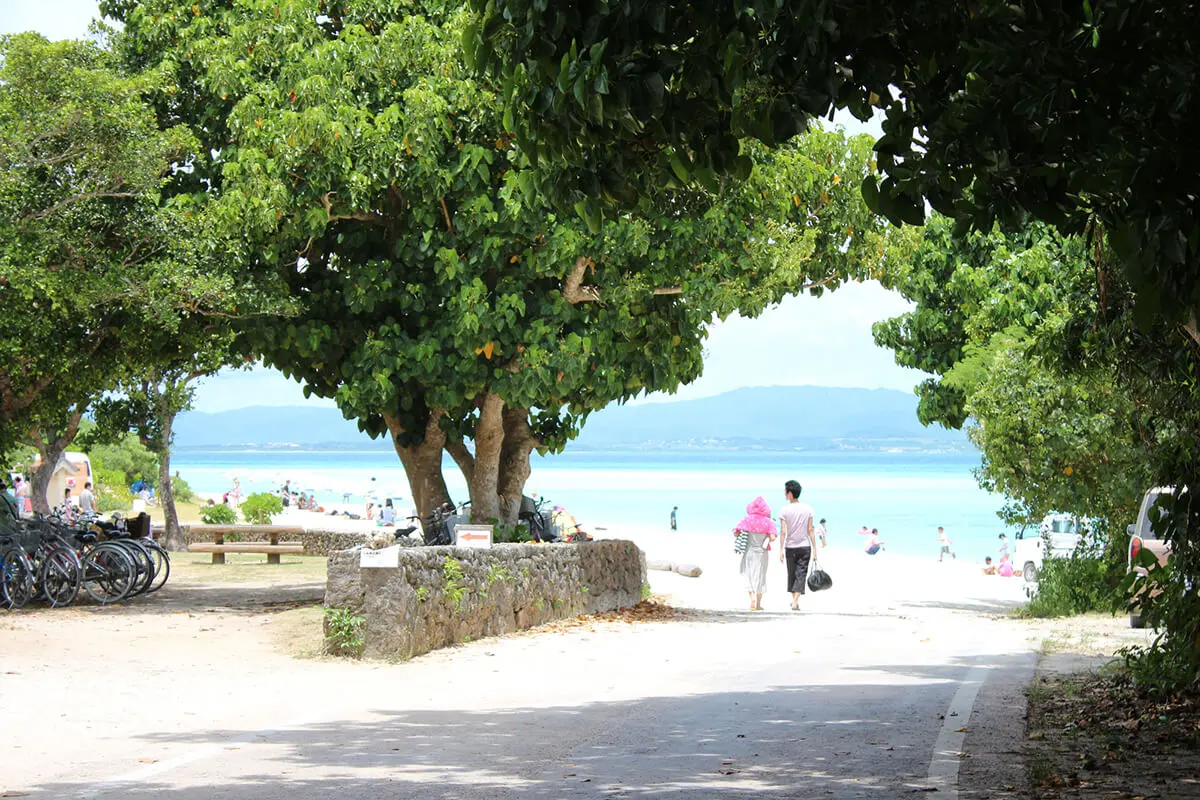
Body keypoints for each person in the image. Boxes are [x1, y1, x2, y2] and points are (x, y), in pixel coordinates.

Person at [778, 479, 818, 611]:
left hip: (790, 546)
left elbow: (783, 531)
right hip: (805, 546)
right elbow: (810, 529)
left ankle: (794, 600)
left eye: (785, 492)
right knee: (801, 573)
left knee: (792, 573)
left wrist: (781, 550)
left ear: (790, 493)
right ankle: (795, 600)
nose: (784, 494)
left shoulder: (784, 510)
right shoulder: (808, 509)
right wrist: (815, 549)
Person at [734, 496, 777, 611]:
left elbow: (736, 533)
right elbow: (772, 537)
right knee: (760, 575)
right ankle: (758, 604)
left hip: (749, 551)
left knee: (747, 573)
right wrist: (766, 536)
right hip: (762, 552)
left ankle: (752, 597)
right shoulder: (769, 522)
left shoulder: (747, 520)